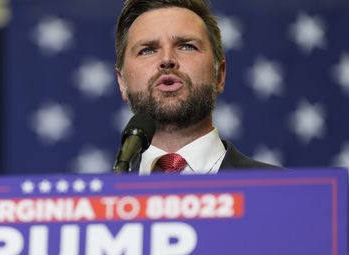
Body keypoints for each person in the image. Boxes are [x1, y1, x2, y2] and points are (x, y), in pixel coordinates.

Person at [114, 0, 279, 174]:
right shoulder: (99, 198)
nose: (167, 59)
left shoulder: (283, 190)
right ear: (122, 82)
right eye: (147, 50)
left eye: (186, 46)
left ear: (219, 75)